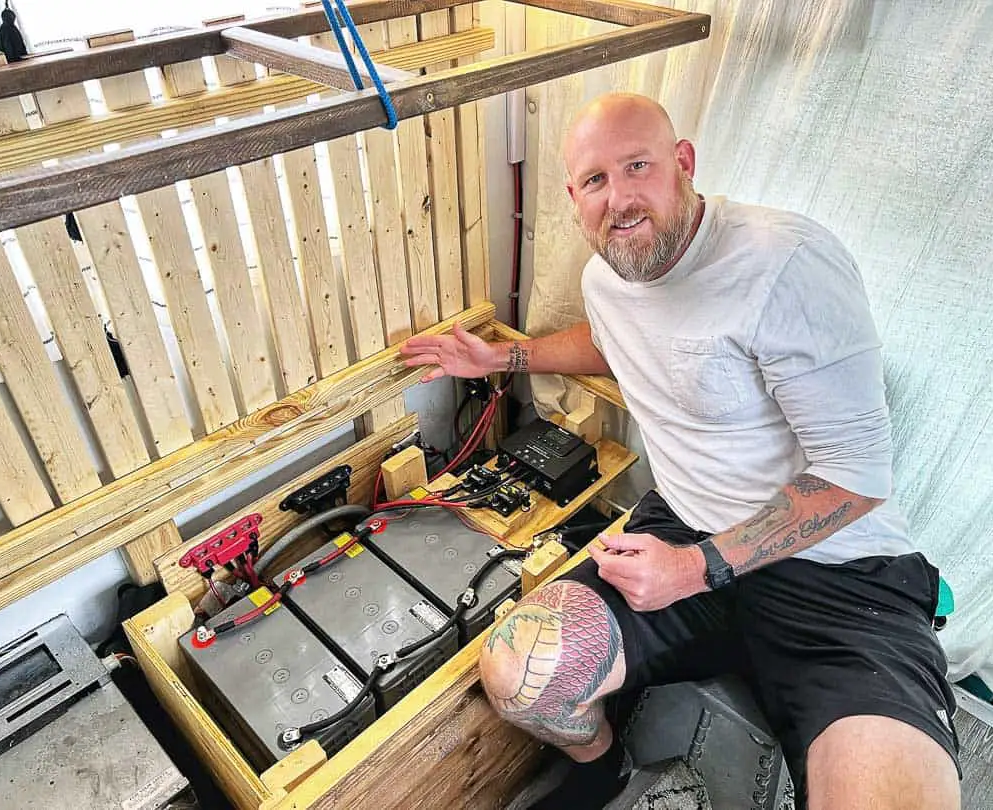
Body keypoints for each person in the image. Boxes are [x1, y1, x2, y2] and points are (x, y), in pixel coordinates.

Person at [400, 93, 961, 810]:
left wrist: (699, 569)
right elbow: (611, 344)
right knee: (521, 673)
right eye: (596, 181)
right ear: (574, 197)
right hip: (681, 531)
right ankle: (603, 772)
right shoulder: (609, 278)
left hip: (837, 576)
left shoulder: (785, 265)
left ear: (684, 164)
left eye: (638, 166)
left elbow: (857, 477)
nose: (620, 199)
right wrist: (504, 360)